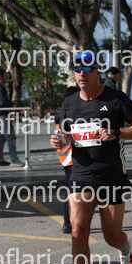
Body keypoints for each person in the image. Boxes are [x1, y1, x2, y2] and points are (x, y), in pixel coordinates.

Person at [50, 51, 132, 264]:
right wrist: (60, 140)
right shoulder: (69, 103)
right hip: (80, 176)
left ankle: (124, 249)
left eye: (87, 68)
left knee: (112, 237)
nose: (81, 73)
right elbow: (65, 134)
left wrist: (117, 133)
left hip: (111, 177)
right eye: (77, 68)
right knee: (77, 232)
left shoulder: (115, 98)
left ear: (98, 71)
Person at [54, 86, 81, 234]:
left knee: (71, 191)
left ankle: (69, 222)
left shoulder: (61, 115)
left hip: (65, 159)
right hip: (72, 159)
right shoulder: (70, 116)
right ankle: (68, 223)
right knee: (72, 192)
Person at [0, 70, 21, 166]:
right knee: (11, 137)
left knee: (1, 138)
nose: (7, 78)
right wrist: (12, 103)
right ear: (0, 77)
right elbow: (3, 103)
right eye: (5, 76)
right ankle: (14, 159)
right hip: (2, 116)